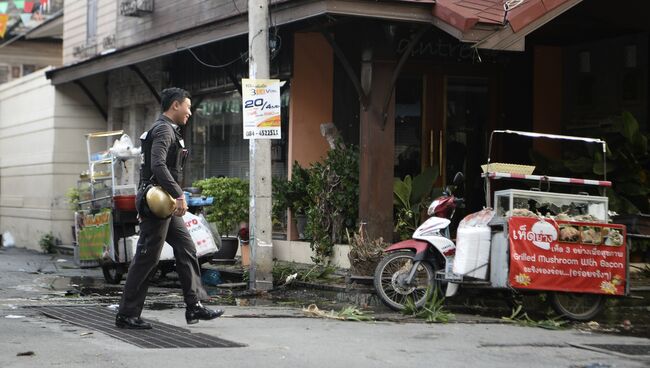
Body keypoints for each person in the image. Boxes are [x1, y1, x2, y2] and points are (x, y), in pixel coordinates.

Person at [116, 87, 224, 329]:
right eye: (187, 106)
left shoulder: (168, 129)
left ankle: (194, 306)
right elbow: (157, 165)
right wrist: (178, 194)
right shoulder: (164, 129)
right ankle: (126, 314)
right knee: (147, 258)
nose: (189, 112)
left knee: (186, 247)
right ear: (175, 105)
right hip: (157, 201)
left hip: (162, 201)